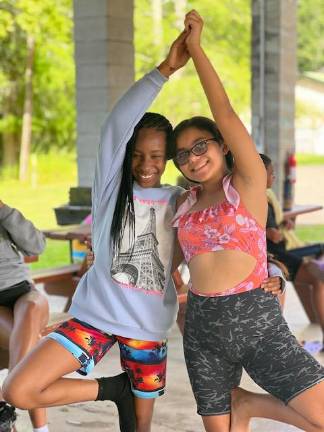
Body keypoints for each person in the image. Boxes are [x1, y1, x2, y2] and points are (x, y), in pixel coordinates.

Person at [171, 10, 324, 432]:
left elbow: (225, 112)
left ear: (222, 146)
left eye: (200, 146)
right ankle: (240, 409)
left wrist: (197, 50)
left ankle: (250, 404)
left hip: (256, 323)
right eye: (182, 155)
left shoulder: (249, 183)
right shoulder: (184, 203)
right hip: (203, 330)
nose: (193, 159)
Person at [261, 153, 324, 346]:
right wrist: (277, 230)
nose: (273, 177)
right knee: (318, 278)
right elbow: (272, 234)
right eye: (270, 174)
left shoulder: (262, 197)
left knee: (317, 272)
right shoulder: (261, 199)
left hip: (278, 254)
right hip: (274, 257)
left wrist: (281, 223)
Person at [0, 201, 49, 432]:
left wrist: (4, 211)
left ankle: (5, 406)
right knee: (32, 347)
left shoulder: (4, 214)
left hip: (24, 292)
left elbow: (37, 246)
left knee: (29, 312)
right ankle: (41, 429)